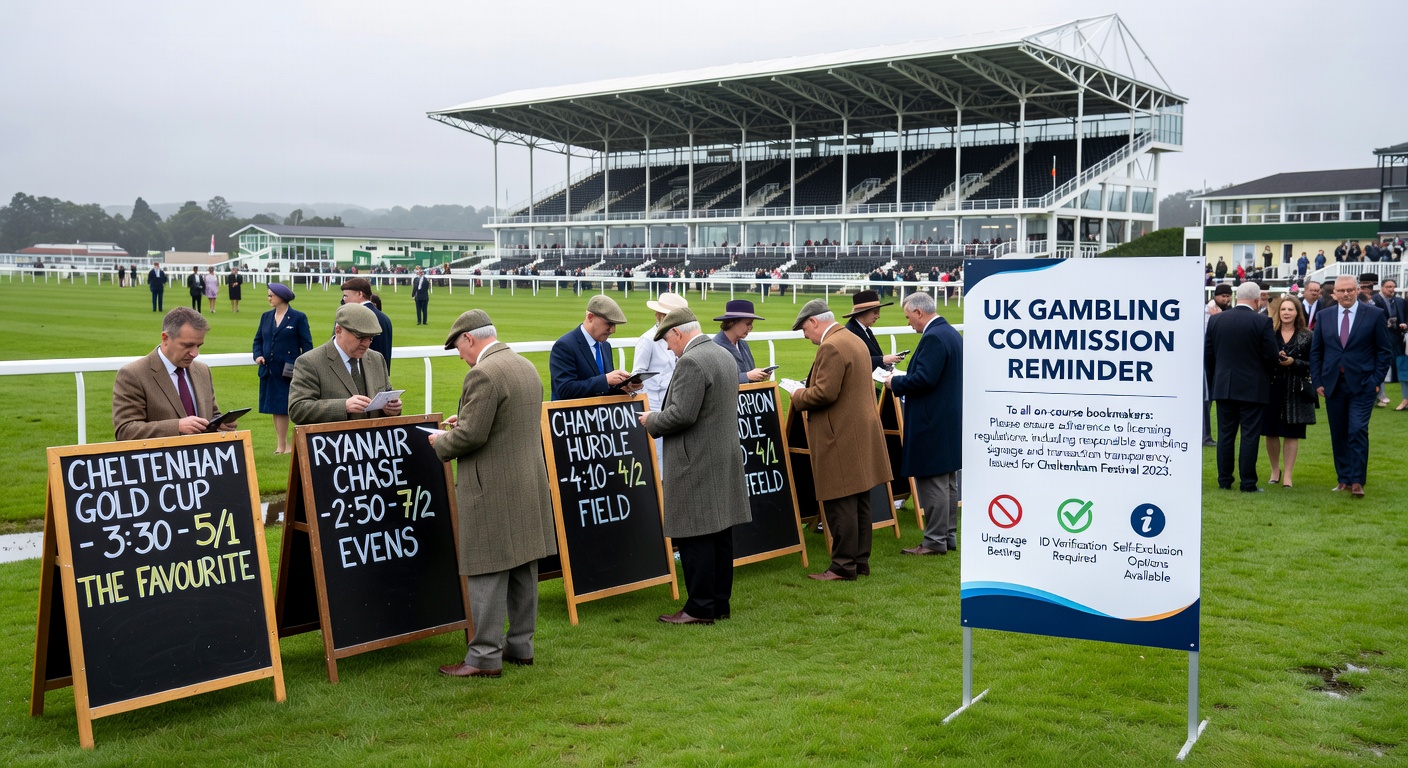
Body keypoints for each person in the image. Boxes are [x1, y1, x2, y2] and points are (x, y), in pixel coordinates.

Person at [430, 310, 557, 678]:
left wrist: (441, 441)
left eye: (458, 347)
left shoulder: (482, 373)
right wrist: (465, 421)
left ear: (469, 338)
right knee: (524, 567)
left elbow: (471, 437)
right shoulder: (524, 365)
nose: (460, 356)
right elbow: (505, 420)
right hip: (528, 483)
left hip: (491, 488)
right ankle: (521, 646)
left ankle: (483, 656)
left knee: (485, 569)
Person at [639, 308, 752, 624]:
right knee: (720, 534)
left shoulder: (691, 361)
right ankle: (719, 604)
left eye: (668, 340)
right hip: (722, 457)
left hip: (696, 460)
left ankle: (699, 608)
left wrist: (652, 420)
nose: (668, 348)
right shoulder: (723, 354)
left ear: (677, 332)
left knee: (695, 535)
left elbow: (682, 414)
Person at [788, 300, 892, 581]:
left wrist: (797, 394)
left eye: (804, 330)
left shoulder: (831, 345)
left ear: (814, 321)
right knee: (860, 501)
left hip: (840, 435)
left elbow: (824, 393)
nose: (806, 336)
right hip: (859, 431)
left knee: (840, 501)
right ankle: (860, 561)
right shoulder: (854, 339)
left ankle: (843, 566)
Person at [885, 292, 962, 556]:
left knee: (934, 482)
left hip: (932, 420)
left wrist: (894, 382)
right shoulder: (950, 333)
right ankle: (946, 536)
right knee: (947, 481)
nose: (908, 323)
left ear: (919, 312)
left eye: (909, 317)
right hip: (947, 418)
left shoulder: (934, 337)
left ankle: (934, 541)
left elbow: (925, 379)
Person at [1310, 275, 1395, 497]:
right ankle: (1344, 479)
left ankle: (1357, 481)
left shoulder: (1374, 314)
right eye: (1341, 290)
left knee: (1357, 429)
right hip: (1333, 384)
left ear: (1357, 290)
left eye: (1349, 290)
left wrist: (1375, 381)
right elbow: (1316, 351)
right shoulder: (1324, 316)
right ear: (1334, 293)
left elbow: (1384, 352)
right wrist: (1318, 381)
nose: (1346, 294)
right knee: (1338, 433)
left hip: (1363, 385)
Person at [113, 307, 238, 441]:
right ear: (165, 338)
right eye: (187, 345)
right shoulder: (133, 374)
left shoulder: (203, 371)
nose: (195, 353)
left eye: (198, 346)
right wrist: (177, 427)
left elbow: (212, 414)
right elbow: (125, 431)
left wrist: (219, 424)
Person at [1205, 282, 1279, 492]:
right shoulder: (1262, 321)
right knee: (1249, 435)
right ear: (1256, 300)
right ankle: (1247, 482)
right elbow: (1271, 356)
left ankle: (1224, 480)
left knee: (1225, 435)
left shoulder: (1216, 320)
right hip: (1253, 387)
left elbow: (1208, 355)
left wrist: (1217, 378)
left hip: (1224, 386)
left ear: (1237, 297)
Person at [288, 303, 403, 424]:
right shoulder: (310, 362)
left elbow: (387, 395)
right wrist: (344, 406)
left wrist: (392, 408)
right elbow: (297, 409)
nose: (366, 344)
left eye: (370, 338)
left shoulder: (377, 359)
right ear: (338, 331)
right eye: (360, 337)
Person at [252, 283, 314, 454]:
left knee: (289, 407)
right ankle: (282, 445)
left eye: (271, 295)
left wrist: (302, 369)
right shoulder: (266, 317)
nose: (269, 298)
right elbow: (258, 341)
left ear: (281, 297)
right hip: (269, 370)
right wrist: (258, 356)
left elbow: (307, 345)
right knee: (276, 408)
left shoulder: (298, 317)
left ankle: (294, 444)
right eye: (268, 295)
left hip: (290, 371)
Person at [1263, 297, 1315, 488]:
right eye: (1283, 309)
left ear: (1297, 312)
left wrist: (1294, 362)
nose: (1286, 312)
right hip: (1271, 387)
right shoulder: (1269, 333)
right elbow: (1260, 358)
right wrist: (1275, 358)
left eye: (1290, 309)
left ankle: (1288, 475)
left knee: (1292, 432)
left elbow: (1314, 364)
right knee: (1271, 431)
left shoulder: (1308, 336)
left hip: (1296, 389)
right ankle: (1275, 471)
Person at [548, 295, 643, 400]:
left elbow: (602, 390)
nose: (613, 330)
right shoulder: (565, 346)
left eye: (615, 325)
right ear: (590, 317)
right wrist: (605, 380)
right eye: (609, 323)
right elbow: (565, 390)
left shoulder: (605, 346)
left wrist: (623, 387)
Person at [632, 292, 689, 461]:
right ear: (660, 315)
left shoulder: (682, 339)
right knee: (657, 459)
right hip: (653, 408)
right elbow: (637, 374)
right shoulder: (647, 340)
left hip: (675, 407)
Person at [842, 289, 904, 371]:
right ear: (863, 312)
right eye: (875, 312)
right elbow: (855, 361)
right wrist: (883, 359)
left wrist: (884, 360)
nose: (878, 316)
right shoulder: (851, 332)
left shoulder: (865, 329)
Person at [341, 277, 393, 371]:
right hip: (382, 372)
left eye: (346, 296)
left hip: (364, 374)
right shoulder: (385, 318)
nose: (344, 300)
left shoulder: (356, 316)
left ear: (360, 294)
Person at [712, 300, 769, 384]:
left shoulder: (743, 344)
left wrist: (759, 375)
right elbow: (718, 381)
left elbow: (749, 373)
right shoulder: (715, 347)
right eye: (748, 324)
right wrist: (747, 376)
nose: (751, 328)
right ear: (732, 323)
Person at [1371, 278, 1407, 407]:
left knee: (1400, 362)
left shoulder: (1399, 301)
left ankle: (1404, 395)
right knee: (1380, 363)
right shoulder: (1375, 300)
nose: (1391, 289)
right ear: (1382, 287)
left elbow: (1405, 316)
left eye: (1393, 287)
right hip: (1380, 337)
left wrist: (1404, 324)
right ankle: (1379, 395)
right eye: (1388, 287)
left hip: (1397, 336)